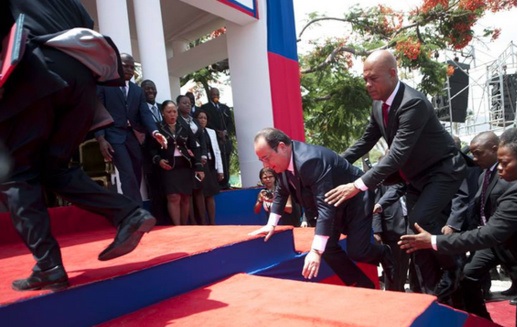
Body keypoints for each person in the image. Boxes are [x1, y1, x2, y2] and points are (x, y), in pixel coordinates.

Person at [0, 0, 163, 291]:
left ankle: (48, 266)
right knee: (53, 169)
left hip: (38, 69)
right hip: (84, 81)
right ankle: (128, 213)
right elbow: (85, 27)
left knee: (16, 175)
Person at [324, 50, 466, 299]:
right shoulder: (378, 105)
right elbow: (365, 141)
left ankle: (455, 266)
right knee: (414, 232)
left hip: (442, 171)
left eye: (373, 78)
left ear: (392, 73)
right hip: (414, 177)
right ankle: (430, 292)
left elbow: (397, 155)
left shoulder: (413, 103)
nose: (368, 84)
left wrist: (357, 185)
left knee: (420, 220)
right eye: (365, 79)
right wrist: (334, 164)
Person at [249, 128, 395, 289]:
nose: (266, 165)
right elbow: (281, 192)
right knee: (328, 247)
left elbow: (325, 206)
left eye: (266, 158)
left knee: (357, 251)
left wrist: (315, 252)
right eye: (261, 160)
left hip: (355, 200)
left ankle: (384, 253)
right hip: (333, 203)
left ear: (282, 147)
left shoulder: (310, 160)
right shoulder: (281, 164)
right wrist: (271, 224)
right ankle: (361, 285)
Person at [399, 127, 517, 319]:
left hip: (505, 240)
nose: (501, 168)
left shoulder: (512, 188)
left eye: (505, 162)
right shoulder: (482, 176)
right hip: (492, 241)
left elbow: (492, 230)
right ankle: (481, 322)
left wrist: (435, 240)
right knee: (467, 275)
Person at [95, 53, 166, 204]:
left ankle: (130, 207)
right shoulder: (104, 85)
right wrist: (101, 138)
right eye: (125, 65)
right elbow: (98, 113)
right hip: (113, 136)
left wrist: (155, 132)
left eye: (132, 67)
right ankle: (137, 212)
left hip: (132, 136)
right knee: (127, 172)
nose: (129, 69)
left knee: (135, 172)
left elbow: (145, 114)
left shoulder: (137, 91)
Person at [151, 100, 204, 225]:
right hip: (169, 165)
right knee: (173, 197)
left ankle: (184, 226)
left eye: (174, 111)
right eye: (169, 112)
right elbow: (151, 149)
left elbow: (194, 146)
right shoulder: (158, 128)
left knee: (185, 197)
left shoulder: (184, 127)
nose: (172, 114)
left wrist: (199, 167)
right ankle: (177, 226)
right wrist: (158, 160)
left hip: (185, 165)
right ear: (163, 113)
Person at [140, 80, 169, 225]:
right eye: (147, 89)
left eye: (153, 88)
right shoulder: (139, 109)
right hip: (149, 156)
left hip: (166, 157)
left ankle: (170, 221)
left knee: (168, 190)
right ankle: (159, 223)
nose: (151, 91)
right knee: (155, 191)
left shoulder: (162, 108)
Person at [372, 181, 409, 292]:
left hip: (407, 227)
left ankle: (400, 290)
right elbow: (376, 206)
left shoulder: (405, 178)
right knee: (392, 266)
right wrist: (376, 231)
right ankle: (392, 293)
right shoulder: (384, 179)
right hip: (391, 229)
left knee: (403, 265)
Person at [177, 94, 207, 225]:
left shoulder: (194, 120)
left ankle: (203, 221)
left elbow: (202, 138)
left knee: (199, 188)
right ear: (178, 105)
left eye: (189, 103)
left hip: (198, 158)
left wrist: (203, 155)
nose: (188, 105)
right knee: (188, 191)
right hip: (186, 159)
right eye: (184, 103)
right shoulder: (176, 120)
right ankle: (193, 222)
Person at [194, 110, 224, 224]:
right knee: (200, 193)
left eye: (204, 118)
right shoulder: (192, 131)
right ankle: (202, 222)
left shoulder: (211, 132)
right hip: (199, 166)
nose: (202, 120)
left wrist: (220, 170)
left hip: (211, 166)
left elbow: (217, 151)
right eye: (200, 117)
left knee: (210, 194)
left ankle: (212, 222)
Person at [200, 87, 235, 189]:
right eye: (213, 94)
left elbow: (230, 123)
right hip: (214, 140)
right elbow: (207, 123)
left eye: (217, 94)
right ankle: (218, 183)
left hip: (225, 140)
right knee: (217, 161)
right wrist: (217, 132)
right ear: (210, 95)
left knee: (226, 161)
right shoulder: (205, 108)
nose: (215, 96)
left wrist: (225, 132)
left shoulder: (224, 108)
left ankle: (226, 182)